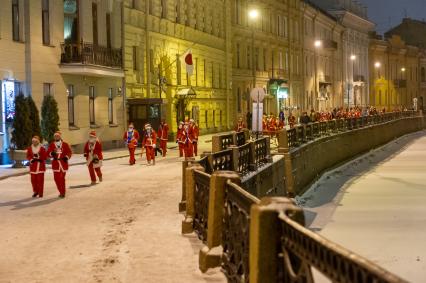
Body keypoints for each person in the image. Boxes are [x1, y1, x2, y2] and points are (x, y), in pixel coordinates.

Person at [47, 131, 72, 198]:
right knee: (56, 179)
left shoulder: (65, 144)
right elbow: (48, 153)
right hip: (55, 164)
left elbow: (69, 152)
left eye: (57, 136)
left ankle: (62, 193)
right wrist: (52, 153)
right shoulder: (52, 144)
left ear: (60, 136)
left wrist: (66, 157)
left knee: (62, 178)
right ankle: (61, 191)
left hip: (63, 164)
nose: (56, 137)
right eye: (55, 136)